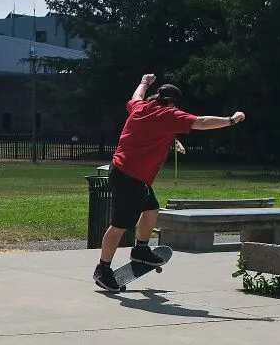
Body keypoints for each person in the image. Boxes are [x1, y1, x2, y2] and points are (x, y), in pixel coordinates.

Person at [95, 74, 245, 292]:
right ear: (173, 103)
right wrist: (231, 120)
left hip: (127, 172)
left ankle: (141, 250)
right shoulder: (170, 115)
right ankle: (102, 269)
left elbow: (137, 95)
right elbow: (201, 122)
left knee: (151, 209)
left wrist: (144, 82)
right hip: (130, 176)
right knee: (120, 225)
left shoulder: (140, 107)